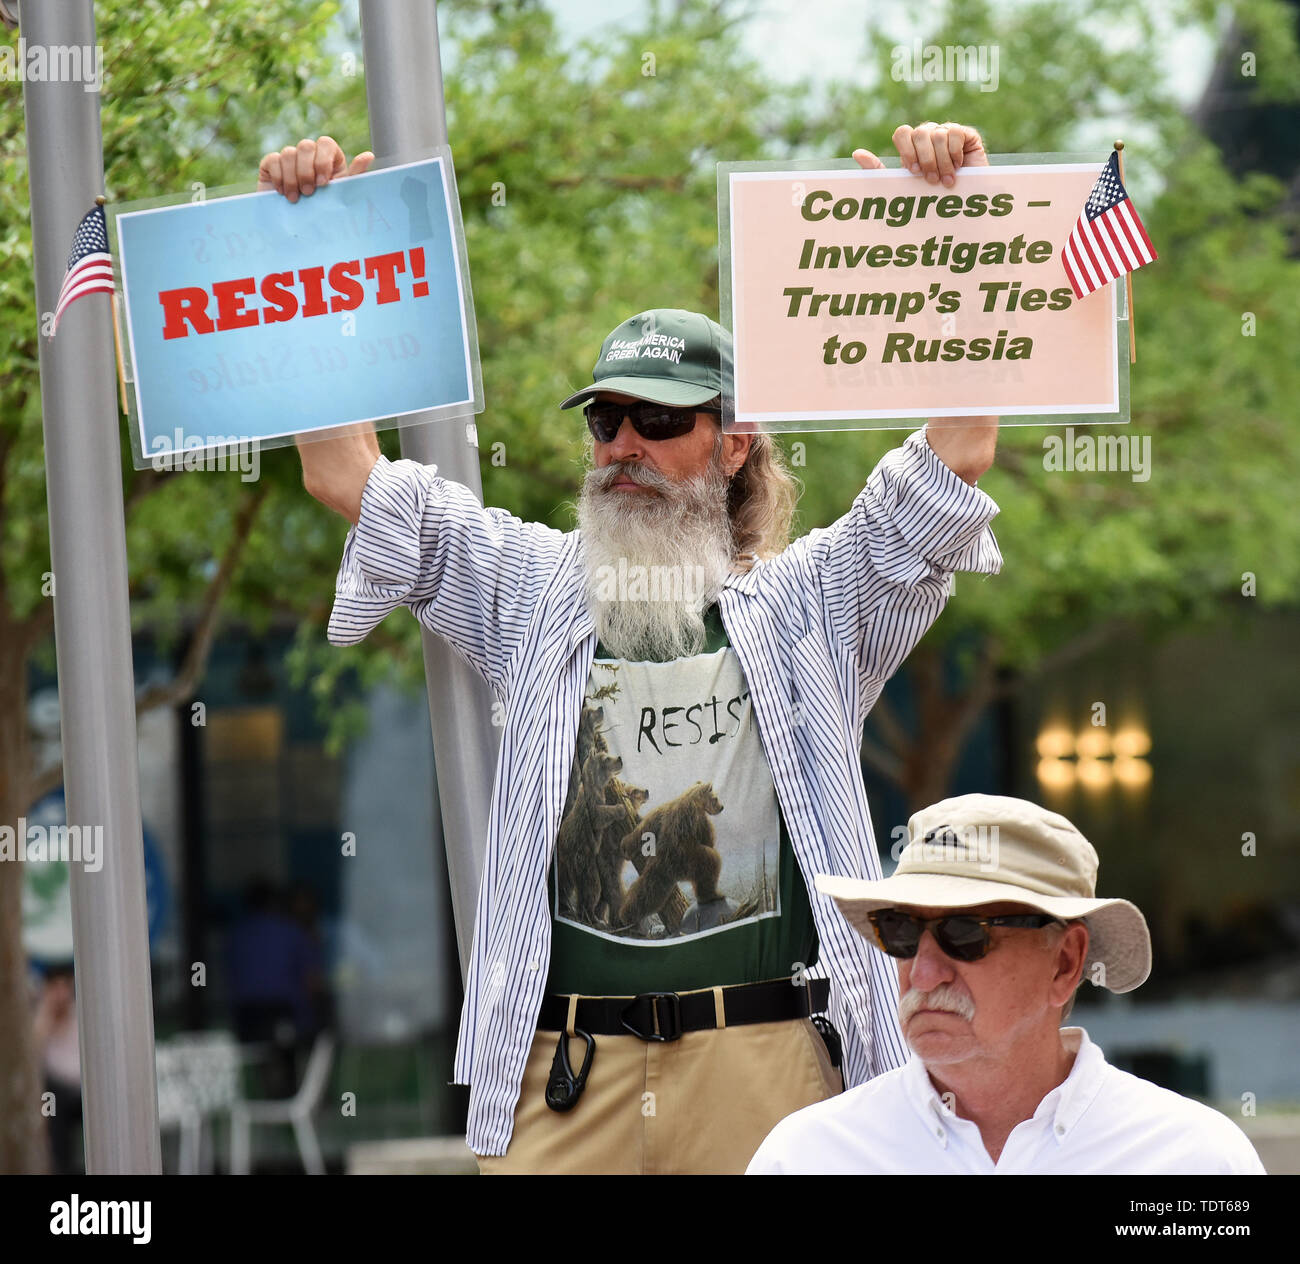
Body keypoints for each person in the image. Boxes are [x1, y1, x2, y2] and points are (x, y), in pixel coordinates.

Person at [259, 122, 1005, 1173]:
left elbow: (956, 451)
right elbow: (347, 474)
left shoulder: (808, 603)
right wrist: (303, 250)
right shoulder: (526, 583)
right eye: (606, 421)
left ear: (733, 439)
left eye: (658, 421)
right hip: (567, 1074)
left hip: (769, 1060)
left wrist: (945, 226)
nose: (624, 448)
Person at [747, 794, 1267, 1174]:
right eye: (901, 932)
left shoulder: (1195, 1160)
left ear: (1065, 963)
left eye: (964, 933)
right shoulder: (804, 1157)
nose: (923, 974)